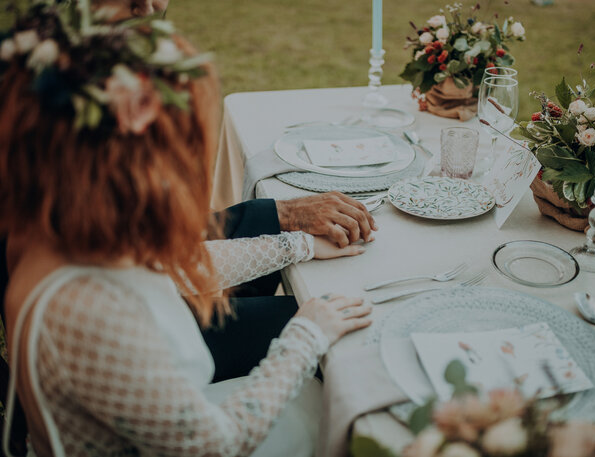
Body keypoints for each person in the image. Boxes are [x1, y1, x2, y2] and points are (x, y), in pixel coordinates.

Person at [0, 3, 372, 456]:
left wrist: (297, 245)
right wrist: (304, 337)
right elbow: (213, 443)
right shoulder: (87, 308)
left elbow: (170, 265)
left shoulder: (64, 221)